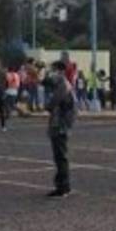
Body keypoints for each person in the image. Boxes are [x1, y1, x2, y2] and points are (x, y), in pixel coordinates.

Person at [45, 62, 76, 198]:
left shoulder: (63, 86)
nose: (52, 73)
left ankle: (64, 187)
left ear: (60, 71)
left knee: (61, 157)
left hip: (60, 125)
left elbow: (53, 103)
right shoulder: (61, 84)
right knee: (59, 157)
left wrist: (47, 106)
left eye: (53, 70)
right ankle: (61, 186)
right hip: (59, 124)